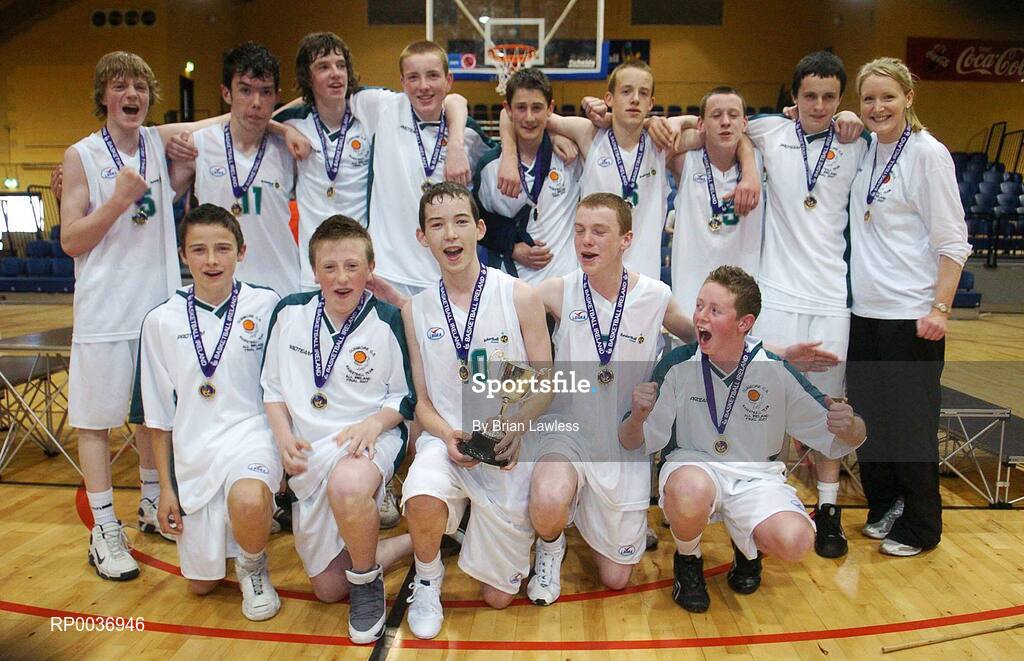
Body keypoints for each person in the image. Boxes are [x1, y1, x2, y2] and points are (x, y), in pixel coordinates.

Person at [620, 266, 866, 612]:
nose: (700, 318)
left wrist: (850, 423)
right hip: (694, 466)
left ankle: (747, 548)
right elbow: (633, 441)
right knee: (688, 491)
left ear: (744, 324)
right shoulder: (677, 364)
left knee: (797, 541)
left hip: (755, 475)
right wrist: (637, 415)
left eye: (715, 310)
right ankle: (688, 562)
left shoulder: (774, 369)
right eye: (699, 305)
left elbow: (843, 437)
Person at [61, 51, 197, 580]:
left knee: (151, 416)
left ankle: (147, 503)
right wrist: (117, 200)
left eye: (140, 84)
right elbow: (72, 240)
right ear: (104, 96)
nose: (132, 93)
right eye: (120, 85)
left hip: (156, 311)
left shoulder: (158, 145)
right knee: (96, 423)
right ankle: (103, 528)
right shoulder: (80, 156)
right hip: (104, 311)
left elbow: (217, 124)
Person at [524, 193, 693, 604]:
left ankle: (587, 511)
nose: (587, 240)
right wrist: (409, 306)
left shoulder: (655, 296)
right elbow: (491, 298)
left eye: (599, 231)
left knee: (616, 578)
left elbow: (702, 338)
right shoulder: (556, 291)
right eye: (580, 230)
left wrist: (771, 352)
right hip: (567, 432)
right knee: (547, 498)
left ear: (625, 239)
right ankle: (551, 545)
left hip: (622, 440)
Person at [400, 182, 552, 639]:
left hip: (507, 447)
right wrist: (445, 435)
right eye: (437, 225)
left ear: (480, 229)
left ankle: (472, 526)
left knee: (498, 599)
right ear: (422, 237)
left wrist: (517, 429)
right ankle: (427, 578)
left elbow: (546, 381)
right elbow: (423, 403)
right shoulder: (415, 309)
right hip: (447, 442)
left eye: (461, 221)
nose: (451, 234)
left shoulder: (521, 296)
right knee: (421, 491)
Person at [261, 216, 415, 642]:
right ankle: (418, 542)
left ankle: (367, 585)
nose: (341, 277)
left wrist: (373, 423)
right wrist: (282, 436)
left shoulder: (388, 320)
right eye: (329, 267)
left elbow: (405, 399)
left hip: (370, 436)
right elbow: (271, 389)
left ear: (371, 269)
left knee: (348, 487)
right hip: (310, 452)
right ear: (314, 271)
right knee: (328, 589)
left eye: (352, 266)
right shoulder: (289, 312)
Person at [846, 57, 970, 557]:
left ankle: (922, 525)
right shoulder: (867, 151)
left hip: (911, 316)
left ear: (909, 98)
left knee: (912, 425)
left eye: (888, 97)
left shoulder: (928, 154)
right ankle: (885, 506)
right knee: (870, 421)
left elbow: (953, 242)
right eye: (869, 99)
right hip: (865, 313)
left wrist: (939, 308)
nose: (878, 107)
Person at [746, 51, 867, 558]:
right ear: (793, 97)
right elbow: (710, 122)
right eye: (810, 95)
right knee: (765, 403)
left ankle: (830, 507)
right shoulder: (769, 132)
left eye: (830, 97)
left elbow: (905, 133)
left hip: (830, 297)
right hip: (776, 292)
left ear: (842, 99)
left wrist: (856, 120)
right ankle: (764, 500)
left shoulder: (857, 142)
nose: (820, 105)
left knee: (829, 408)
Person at [140, 204, 283, 620]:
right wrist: (166, 488)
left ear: (242, 251)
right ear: (183, 255)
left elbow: (280, 386)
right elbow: (158, 415)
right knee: (202, 585)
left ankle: (255, 569)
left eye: (222, 248)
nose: (211, 260)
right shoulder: (161, 320)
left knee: (250, 498)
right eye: (198, 250)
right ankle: (229, 545)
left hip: (252, 436)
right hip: (194, 453)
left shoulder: (267, 304)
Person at [497, 60, 761, 282]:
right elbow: (518, 115)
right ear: (609, 98)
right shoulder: (589, 135)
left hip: (643, 283)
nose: (635, 99)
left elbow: (723, 132)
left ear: (651, 102)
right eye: (626, 91)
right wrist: (510, 156)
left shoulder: (663, 142)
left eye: (643, 93)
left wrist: (680, 122)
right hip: (592, 280)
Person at [355, 41, 491, 298]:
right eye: (413, 77)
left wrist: (456, 143)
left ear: (448, 80)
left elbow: (511, 145)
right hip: (388, 273)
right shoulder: (384, 108)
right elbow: (318, 97)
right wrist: (276, 126)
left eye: (433, 76)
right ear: (402, 82)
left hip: (445, 277)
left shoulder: (469, 134)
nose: (424, 86)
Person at [169, 41, 300, 297]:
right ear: (226, 93)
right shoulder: (197, 146)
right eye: (245, 90)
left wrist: (284, 130)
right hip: (221, 291)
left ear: (276, 96)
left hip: (282, 290)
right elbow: (155, 203)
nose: (256, 102)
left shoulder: (290, 150)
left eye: (265, 92)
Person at [473, 67, 582, 282]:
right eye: (521, 108)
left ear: (550, 109)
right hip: (509, 287)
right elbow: (477, 222)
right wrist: (512, 247)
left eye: (537, 108)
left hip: (563, 287)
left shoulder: (570, 157)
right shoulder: (490, 167)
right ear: (508, 109)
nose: (529, 117)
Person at [669, 86, 764, 317]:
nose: (725, 122)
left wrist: (750, 167)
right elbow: (646, 136)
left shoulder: (763, 160)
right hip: (690, 295)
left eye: (733, 115)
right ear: (701, 124)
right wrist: (679, 122)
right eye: (716, 115)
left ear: (744, 123)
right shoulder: (684, 162)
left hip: (741, 301)